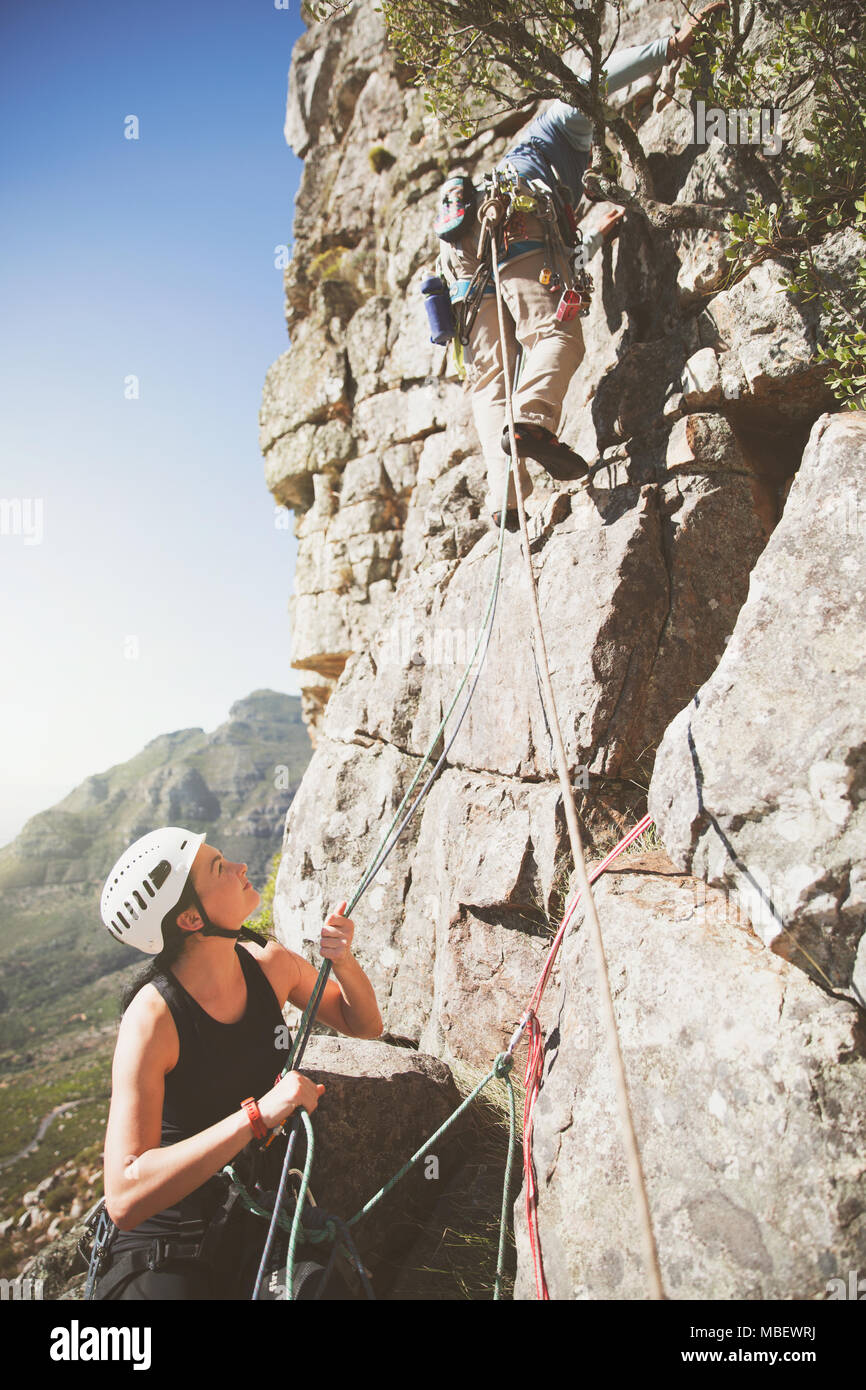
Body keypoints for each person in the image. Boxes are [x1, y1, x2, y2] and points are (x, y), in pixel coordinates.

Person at [436, 5, 727, 530]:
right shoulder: (557, 125)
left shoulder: (531, 167)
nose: (595, 143)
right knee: (560, 338)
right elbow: (598, 80)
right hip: (517, 227)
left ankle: (507, 493)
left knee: (490, 383)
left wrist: (592, 236)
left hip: (470, 271)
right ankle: (529, 422)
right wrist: (670, 46)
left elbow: (544, 262)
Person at [90, 825, 383, 1299]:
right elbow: (124, 1197)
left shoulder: (268, 965)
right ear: (189, 919)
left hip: (249, 1215)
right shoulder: (152, 1019)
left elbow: (364, 1024)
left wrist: (343, 961)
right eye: (218, 868)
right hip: (168, 1239)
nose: (240, 867)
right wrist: (257, 1115)